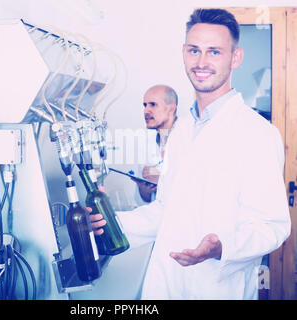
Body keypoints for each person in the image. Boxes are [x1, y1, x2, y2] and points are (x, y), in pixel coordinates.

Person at [90, 8, 291, 299]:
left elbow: (271, 226)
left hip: (218, 287)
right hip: (168, 282)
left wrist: (222, 247)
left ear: (236, 58)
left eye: (214, 52)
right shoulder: (183, 129)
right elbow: (166, 210)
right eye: (194, 50)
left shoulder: (257, 133)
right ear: (183, 52)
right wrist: (111, 221)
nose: (201, 62)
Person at [133, 85, 178, 204]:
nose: (146, 110)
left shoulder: (188, 137)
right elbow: (142, 200)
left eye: (153, 104)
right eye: (145, 105)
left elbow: (198, 188)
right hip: (155, 218)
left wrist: (162, 180)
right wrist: (144, 190)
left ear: (171, 109)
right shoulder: (146, 143)